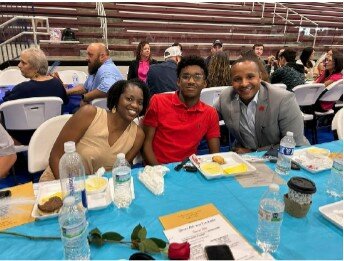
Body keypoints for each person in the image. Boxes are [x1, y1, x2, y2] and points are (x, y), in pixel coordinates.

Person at [39, 79, 150, 181]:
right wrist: (69, 190)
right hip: (59, 181)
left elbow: (122, 169)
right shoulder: (89, 114)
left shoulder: (138, 136)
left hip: (97, 190)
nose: (135, 105)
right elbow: (56, 155)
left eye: (140, 102)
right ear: (116, 98)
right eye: (129, 99)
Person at [215, 57, 309, 154]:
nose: (244, 83)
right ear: (231, 81)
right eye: (237, 79)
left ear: (259, 77)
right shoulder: (225, 97)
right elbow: (208, 117)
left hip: (286, 159)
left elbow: (295, 145)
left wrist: (254, 152)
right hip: (244, 156)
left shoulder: (283, 99)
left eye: (250, 77)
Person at [143, 55, 220, 165]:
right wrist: (158, 171)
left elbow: (215, 155)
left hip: (189, 169)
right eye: (186, 76)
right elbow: (146, 144)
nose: (191, 81)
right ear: (178, 81)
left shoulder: (210, 113)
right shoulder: (157, 101)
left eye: (197, 77)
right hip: (157, 168)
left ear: (205, 83)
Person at [2, 47, 68, 145]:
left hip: (23, 138)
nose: (19, 65)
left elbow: (4, 108)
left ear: (36, 68)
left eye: (23, 63)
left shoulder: (21, 89)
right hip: (50, 134)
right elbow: (65, 103)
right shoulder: (57, 84)